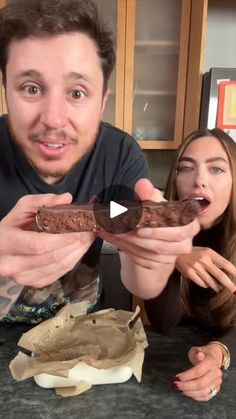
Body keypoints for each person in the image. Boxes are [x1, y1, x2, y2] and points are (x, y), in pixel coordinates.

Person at [0, 0, 199, 323]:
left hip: (84, 336)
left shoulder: (119, 155)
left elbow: (141, 281)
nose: (53, 119)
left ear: (102, 101)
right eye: (31, 88)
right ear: (6, 90)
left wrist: (151, 258)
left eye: (77, 93)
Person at [144, 128, 236, 402]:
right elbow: (163, 323)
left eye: (216, 169)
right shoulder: (160, 226)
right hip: (173, 362)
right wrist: (173, 251)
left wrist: (219, 350)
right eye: (186, 168)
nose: (199, 181)